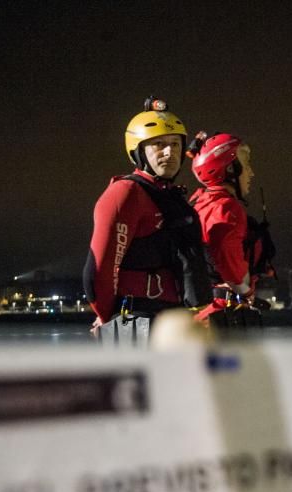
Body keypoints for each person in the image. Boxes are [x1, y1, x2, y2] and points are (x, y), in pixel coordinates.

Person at [83, 97, 212, 345]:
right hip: (139, 319)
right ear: (138, 151)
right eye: (159, 145)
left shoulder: (172, 197)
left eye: (176, 144)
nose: (170, 152)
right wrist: (107, 317)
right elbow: (99, 270)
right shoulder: (125, 194)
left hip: (177, 319)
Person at [187, 132, 275, 326]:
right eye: (246, 165)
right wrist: (247, 292)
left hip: (200, 311)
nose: (250, 172)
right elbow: (230, 264)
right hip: (221, 314)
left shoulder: (199, 201)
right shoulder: (226, 207)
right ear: (229, 169)